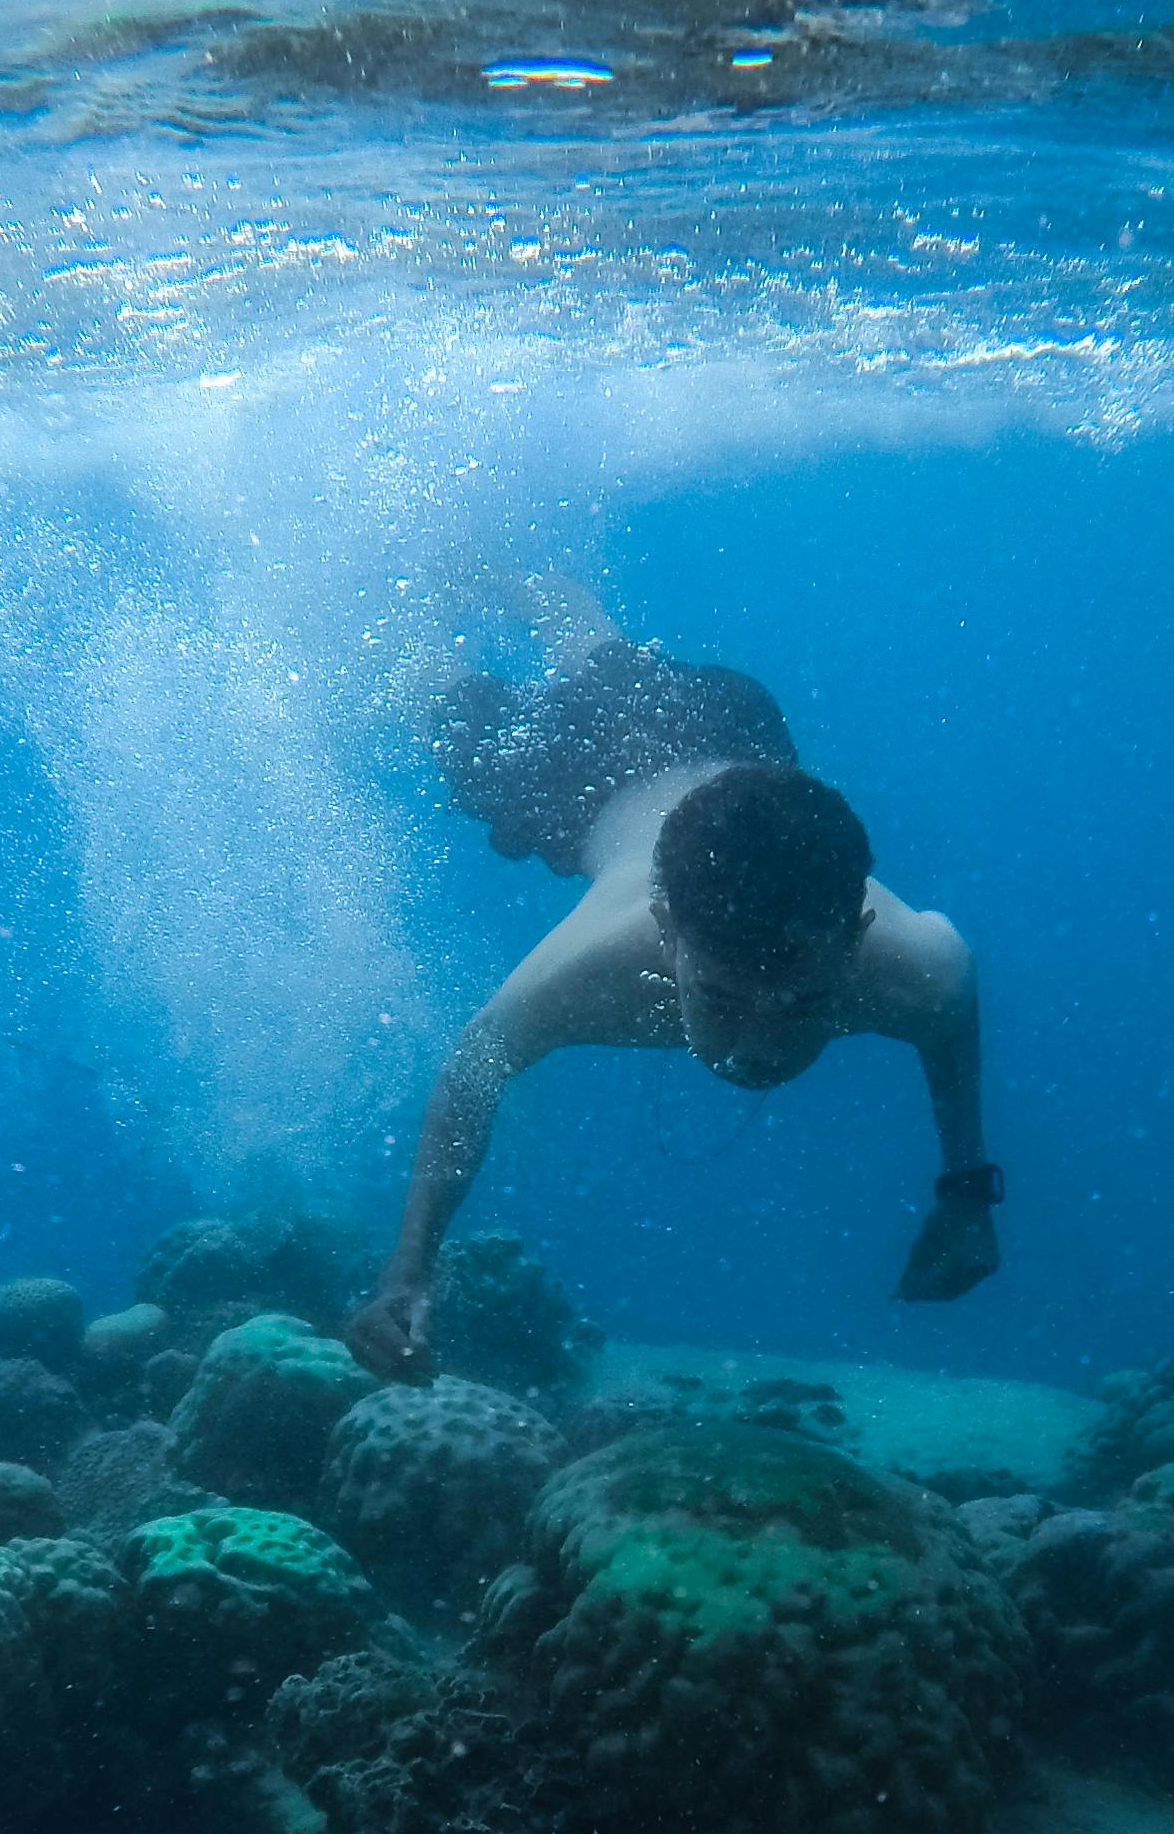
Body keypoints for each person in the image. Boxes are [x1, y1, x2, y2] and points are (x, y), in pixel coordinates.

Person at [345, 583, 999, 1383]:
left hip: (733, 727)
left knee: (614, 669)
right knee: (454, 721)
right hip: (589, 774)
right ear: (664, 929)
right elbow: (473, 1067)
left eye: (805, 1004)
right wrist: (407, 1268)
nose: (759, 1049)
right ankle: (416, 613)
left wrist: (968, 1191)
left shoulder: (921, 971)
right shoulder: (599, 963)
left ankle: (519, 592)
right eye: (721, 1000)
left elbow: (952, 1016)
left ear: (854, 938)